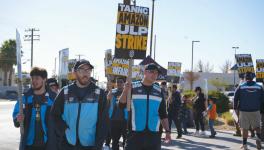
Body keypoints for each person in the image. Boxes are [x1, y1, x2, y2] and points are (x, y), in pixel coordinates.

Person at [51, 59, 109, 150]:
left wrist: (98, 145)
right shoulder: (65, 92)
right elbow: (54, 114)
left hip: (90, 145)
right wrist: (64, 130)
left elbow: (104, 122)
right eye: (82, 70)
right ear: (75, 72)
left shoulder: (99, 93)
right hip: (67, 144)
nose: (85, 73)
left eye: (88, 70)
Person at [119, 63, 171, 150]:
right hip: (135, 134)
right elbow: (121, 105)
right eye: (152, 72)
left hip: (154, 135)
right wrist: (125, 91)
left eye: (156, 73)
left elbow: (163, 114)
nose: (154, 75)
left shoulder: (159, 91)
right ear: (145, 73)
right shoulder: (133, 87)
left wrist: (168, 131)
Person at [12, 67, 56, 150]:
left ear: (44, 79)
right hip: (28, 145)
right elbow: (16, 116)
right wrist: (17, 118)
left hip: (48, 144)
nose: (33, 81)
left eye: (37, 78)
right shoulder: (24, 98)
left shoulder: (53, 98)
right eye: (32, 78)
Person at [234, 72, 264, 150]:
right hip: (256, 110)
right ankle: (258, 138)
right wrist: (261, 110)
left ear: (245, 78)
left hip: (244, 111)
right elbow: (262, 100)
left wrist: (235, 108)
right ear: (253, 78)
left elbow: (235, 98)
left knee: (245, 128)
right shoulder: (259, 87)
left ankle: (245, 145)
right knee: (257, 127)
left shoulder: (240, 87)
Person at [107, 77, 128, 150]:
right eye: (117, 82)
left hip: (126, 120)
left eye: (121, 82)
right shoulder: (111, 92)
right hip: (114, 120)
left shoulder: (128, 93)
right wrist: (108, 96)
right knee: (115, 141)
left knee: (126, 141)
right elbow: (107, 103)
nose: (119, 83)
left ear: (124, 83)